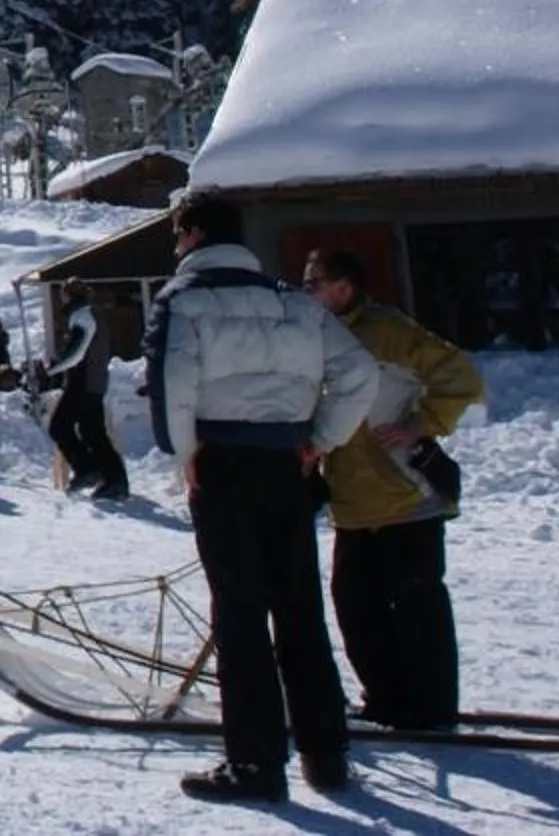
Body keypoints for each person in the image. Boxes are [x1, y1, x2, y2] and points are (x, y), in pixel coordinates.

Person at [149, 192, 376, 804]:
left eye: (177, 236)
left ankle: (255, 763)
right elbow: (360, 374)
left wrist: (185, 452)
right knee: (299, 606)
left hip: (221, 464)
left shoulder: (183, 301)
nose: (176, 247)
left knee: (240, 613)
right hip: (286, 463)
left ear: (192, 234)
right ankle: (326, 753)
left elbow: (172, 384)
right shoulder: (292, 303)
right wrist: (320, 438)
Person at [305, 249, 484, 733]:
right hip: (352, 502)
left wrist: (421, 426)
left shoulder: (391, 331)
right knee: (356, 607)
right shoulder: (321, 338)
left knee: (417, 607)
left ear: (343, 288)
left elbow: (460, 377)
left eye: (314, 282)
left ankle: (432, 708)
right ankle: (385, 700)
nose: (308, 291)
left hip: (406, 496)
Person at [48, 283, 128, 499]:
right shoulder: (94, 314)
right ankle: (115, 480)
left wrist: (52, 370)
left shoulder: (81, 317)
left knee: (59, 426)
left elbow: (76, 351)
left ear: (68, 296)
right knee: (93, 432)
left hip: (83, 380)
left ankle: (87, 469)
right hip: (96, 381)